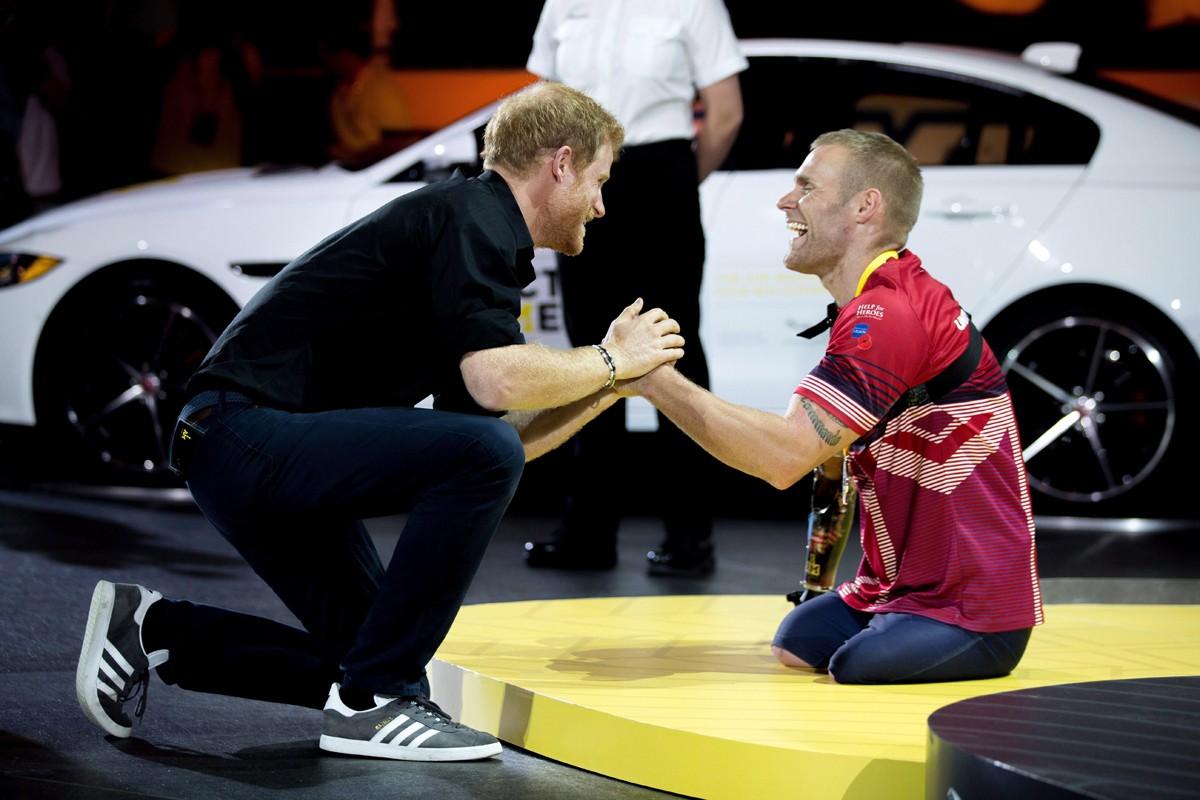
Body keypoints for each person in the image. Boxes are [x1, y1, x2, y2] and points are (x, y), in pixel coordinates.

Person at [75, 81, 687, 760]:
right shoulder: (473, 216)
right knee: (387, 670)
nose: (601, 206)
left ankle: (155, 630)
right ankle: (374, 703)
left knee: (373, 653)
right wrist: (608, 358)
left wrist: (610, 385)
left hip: (256, 445)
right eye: (600, 181)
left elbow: (502, 438)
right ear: (561, 164)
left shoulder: (474, 233)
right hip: (240, 434)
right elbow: (496, 387)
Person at [618, 129, 1043, 683]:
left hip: (973, 606)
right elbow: (830, 461)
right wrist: (819, 581)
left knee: (852, 667)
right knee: (796, 643)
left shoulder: (888, 314)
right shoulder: (874, 299)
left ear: (866, 207)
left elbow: (785, 458)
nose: (785, 201)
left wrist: (653, 379)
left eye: (807, 187)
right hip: (895, 588)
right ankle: (880, 599)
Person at [522, 0, 747, 576]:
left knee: (673, 351)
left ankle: (690, 539)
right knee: (591, 354)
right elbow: (543, 105)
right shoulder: (562, 4)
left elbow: (725, 113)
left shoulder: (694, 3)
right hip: (581, 177)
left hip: (662, 180)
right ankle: (588, 534)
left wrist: (677, 182)